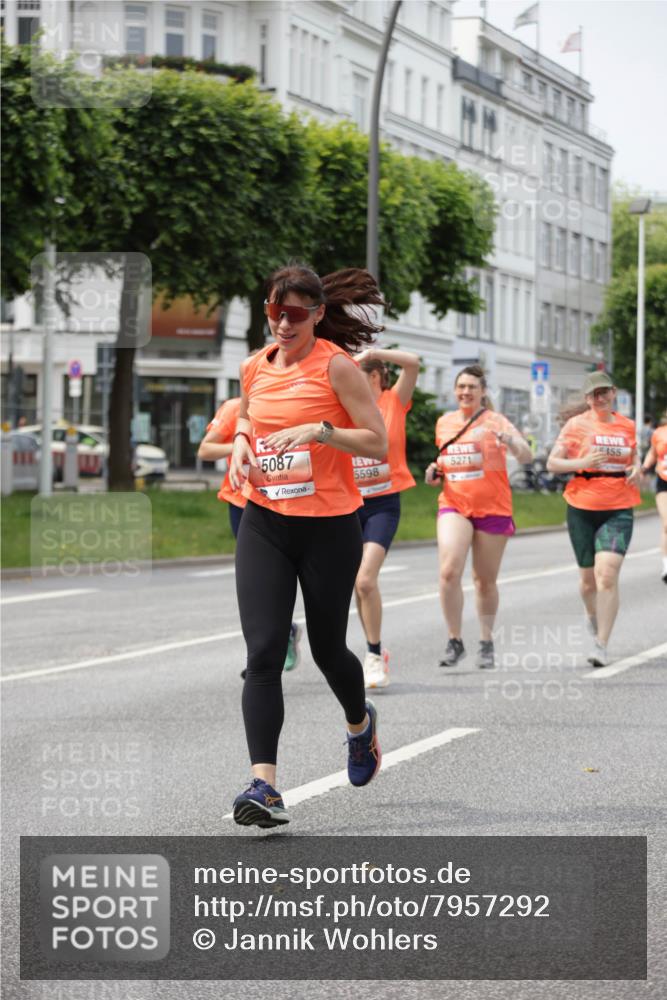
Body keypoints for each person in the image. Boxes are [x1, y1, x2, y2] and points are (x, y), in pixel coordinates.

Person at [228, 264, 388, 828]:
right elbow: (247, 415)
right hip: (265, 521)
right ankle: (264, 787)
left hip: (329, 527)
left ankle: (359, 724)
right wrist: (241, 442)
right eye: (275, 312)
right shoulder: (254, 366)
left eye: (295, 314)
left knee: (327, 649)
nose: (283, 323)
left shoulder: (337, 367)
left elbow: (378, 442)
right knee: (263, 653)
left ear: (318, 314)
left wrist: (321, 431)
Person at [425, 365, 532, 669]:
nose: (466, 392)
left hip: (493, 507)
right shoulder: (444, 423)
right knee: (449, 571)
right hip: (454, 504)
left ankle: (486, 641)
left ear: (483, 391)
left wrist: (510, 441)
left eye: (472, 387)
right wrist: (434, 470)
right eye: (461, 386)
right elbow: (445, 459)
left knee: (484, 581)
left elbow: (526, 455)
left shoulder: (496, 421)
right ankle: (454, 640)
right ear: (454, 390)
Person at [198, 396, 302, 673]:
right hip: (241, 502)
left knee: (277, 580)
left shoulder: (291, 401)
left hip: (280, 501)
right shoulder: (234, 408)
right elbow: (205, 449)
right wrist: (240, 444)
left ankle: (280, 637)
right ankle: (266, 653)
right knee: (258, 585)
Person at [546, 371, 641, 667]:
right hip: (582, 508)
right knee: (588, 582)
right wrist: (582, 462)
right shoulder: (576, 425)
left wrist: (637, 468)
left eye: (604, 392)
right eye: (594, 394)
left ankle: (601, 644)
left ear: (613, 392)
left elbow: (633, 456)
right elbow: (552, 463)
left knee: (607, 574)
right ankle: (591, 614)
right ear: (587, 399)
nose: (600, 398)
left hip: (619, 507)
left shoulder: (627, 425)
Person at [352, 348, 420, 689]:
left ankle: (374, 654)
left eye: (356, 375)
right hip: (349, 503)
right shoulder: (347, 406)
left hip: (383, 503)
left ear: (375, 377)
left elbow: (413, 363)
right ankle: (372, 650)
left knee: (366, 580)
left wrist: (373, 351)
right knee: (356, 583)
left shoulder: (394, 400)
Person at [640, 412, 667, 583]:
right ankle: (666, 565)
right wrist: (644, 468)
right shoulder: (659, 433)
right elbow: (652, 453)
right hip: (664, 481)